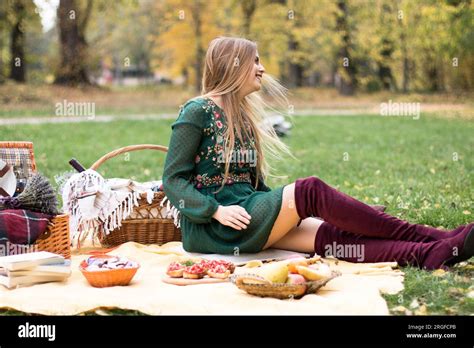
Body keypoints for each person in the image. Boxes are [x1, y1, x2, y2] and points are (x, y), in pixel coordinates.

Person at [163, 36, 473, 270]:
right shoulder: (197, 111)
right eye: (255, 61)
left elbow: (252, 186)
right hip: (216, 227)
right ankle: (430, 235)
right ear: (234, 64)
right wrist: (215, 210)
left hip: (247, 213)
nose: (262, 68)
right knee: (310, 189)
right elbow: (173, 180)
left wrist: (288, 211)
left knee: (332, 238)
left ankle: (430, 253)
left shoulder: (242, 116)